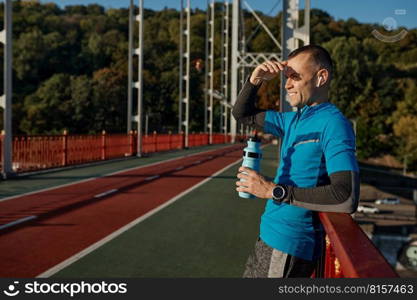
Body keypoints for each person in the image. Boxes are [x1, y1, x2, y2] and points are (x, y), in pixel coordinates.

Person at [232, 45, 360, 278]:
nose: (287, 85)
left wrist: (273, 190)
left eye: (294, 77)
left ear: (321, 77)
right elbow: (242, 114)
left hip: (290, 244)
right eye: (286, 78)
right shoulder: (292, 120)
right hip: (269, 234)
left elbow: (346, 195)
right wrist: (255, 79)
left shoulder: (334, 124)